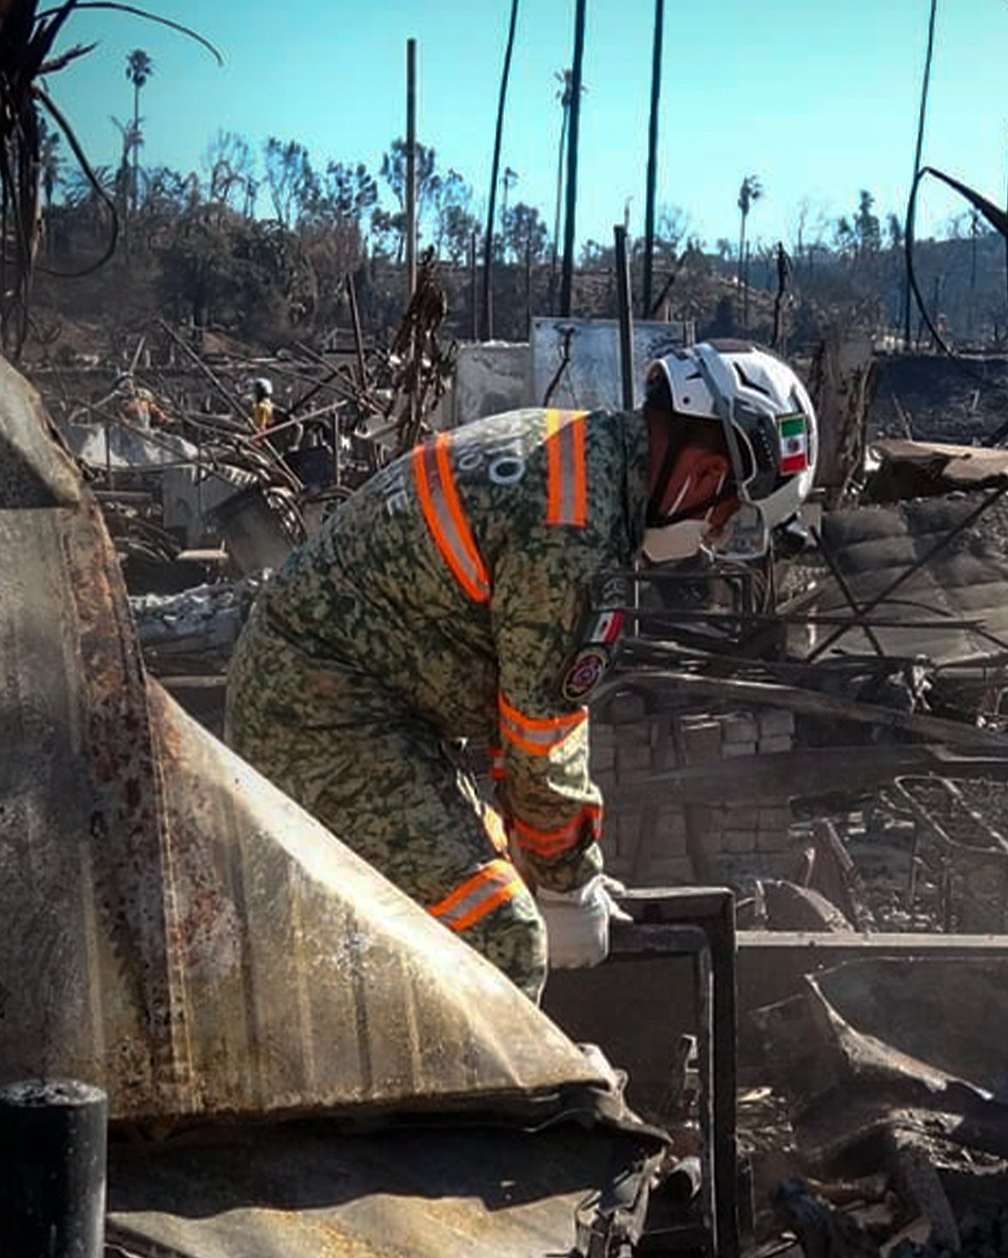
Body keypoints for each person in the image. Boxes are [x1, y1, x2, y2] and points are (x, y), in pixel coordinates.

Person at [226, 340, 817, 1000]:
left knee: (496, 883)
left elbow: (512, 715)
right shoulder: (575, 533)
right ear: (705, 474)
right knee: (502, 938)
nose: (711, 539)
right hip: (324, 719)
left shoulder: (577, 454)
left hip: (348, 704)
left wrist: (551, 861)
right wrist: (566, 886)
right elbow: (541, 735)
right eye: (727, 519)